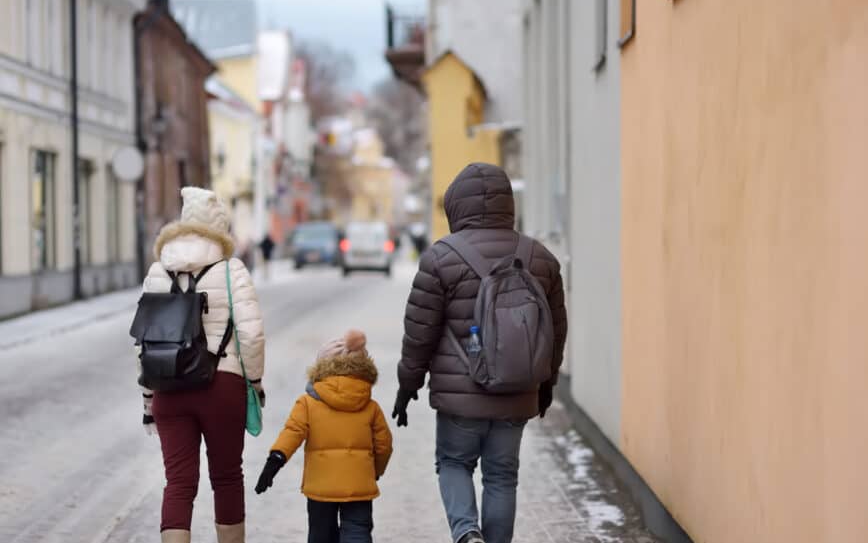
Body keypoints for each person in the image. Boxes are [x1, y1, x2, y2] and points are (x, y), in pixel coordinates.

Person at [393, 163, 568, 543]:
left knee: (454, 463)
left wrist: (408, 385)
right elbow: (554, 331)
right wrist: (547, 383)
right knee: (502, 475)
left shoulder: (440, 258)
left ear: (456, 206)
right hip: (517, 392)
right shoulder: (539, 257)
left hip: (461, 397)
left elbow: (419, 332)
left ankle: (467, 533)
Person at [140, 187, 266, 543]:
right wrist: (254, 382)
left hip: (168, 386)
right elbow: (251, 335)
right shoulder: (231, 269)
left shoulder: (157, 271)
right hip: (222, 386)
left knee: (178, 483)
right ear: (220, 228)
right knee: (226, 478)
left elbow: (146, 339)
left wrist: (149, 397)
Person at [254, 330, 393, 543]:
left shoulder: (307, 404)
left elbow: (291, 434)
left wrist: (274, 463)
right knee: (358, 532)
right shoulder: (371, 406)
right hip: (359, 485)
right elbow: (384, 445)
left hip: (320, 488)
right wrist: (374, 471)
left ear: (320, 368)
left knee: (321, 534)